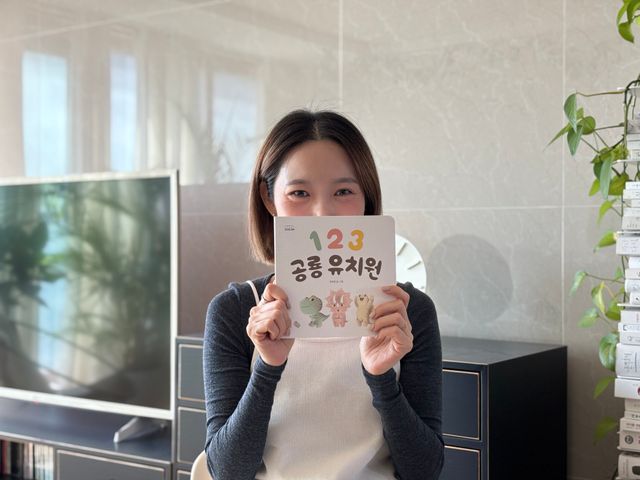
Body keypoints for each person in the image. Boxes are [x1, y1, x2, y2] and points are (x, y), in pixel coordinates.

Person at [203, 110, 444, 480]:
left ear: (366, 199)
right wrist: (267, 367)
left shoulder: (408, 311)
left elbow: (424, 471)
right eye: (299, 193)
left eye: (343, 192)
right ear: (269, 199)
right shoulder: (234, 311)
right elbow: (226, 471)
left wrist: (381, 377)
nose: (322, 213)